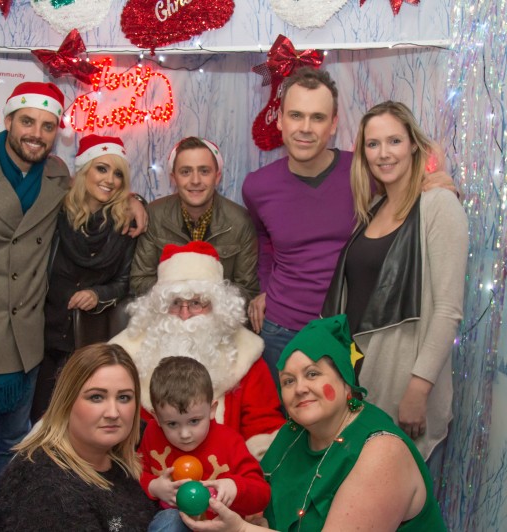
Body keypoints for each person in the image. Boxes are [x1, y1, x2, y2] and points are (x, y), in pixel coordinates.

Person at [0, 81, 146, 531]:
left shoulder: (56, 176)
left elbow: (97, 187)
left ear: (57, 133)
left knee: (12, 448)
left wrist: (134, 200)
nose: (36, 133)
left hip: (22, 345)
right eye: (28, 122)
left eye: (48, 126)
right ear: (8, 120)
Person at [242, 67, 457, 387]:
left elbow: (409, 193)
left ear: (333, 124)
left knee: (346, 432)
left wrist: (439, 184)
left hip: (349, 331)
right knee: (289, 431)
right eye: (296, 115)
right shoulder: (257, 187)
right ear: (280, 120)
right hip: (282, 332)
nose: (305, 128)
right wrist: (263, 287)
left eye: (317, 117)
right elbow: (265, 240)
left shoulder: (364, 172)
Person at [181, 315, 446, 532]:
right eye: (288, 381)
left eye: (312, 374)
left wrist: (240, 530)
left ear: (345, 383)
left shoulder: (381, 452)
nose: (300, 389)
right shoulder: (293, 434)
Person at [322, 101, 468, 459]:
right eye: (373, 144)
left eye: (394, 141)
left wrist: (419, 389)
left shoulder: (438, 205)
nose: (383, 154)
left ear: (414, 145)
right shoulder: (372, 209)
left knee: (399, 508)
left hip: (402, 379)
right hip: (359, 377)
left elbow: (448, 310)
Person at [111, 241, 284, 458]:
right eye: (175, 303)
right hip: (150, 472)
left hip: (225, 474)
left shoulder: (245, 353)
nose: (185, 315)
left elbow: (263, 425)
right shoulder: (127, 353)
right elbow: (113, 421)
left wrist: (241, 477)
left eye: (196, 303)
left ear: (217, 306)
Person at [0, 343, 158, 531]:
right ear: (66, 402)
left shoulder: (116, 457)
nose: (113, 413)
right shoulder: (45, 490)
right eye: (96, 397)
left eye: (124, 398)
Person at [30, 134, 137, 423]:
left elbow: (126, 282)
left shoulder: (125, 225)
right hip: (44, 341)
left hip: (89, 344)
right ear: (84, 170)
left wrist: (98, 294)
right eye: (102, 168)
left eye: (118, 173)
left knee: (84, 427)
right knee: (41, 424)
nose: (110, 179)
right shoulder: (55, 214)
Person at [140, 356, 271, 531]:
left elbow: (262, 493)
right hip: (173, 523)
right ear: (156, 417)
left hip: (221, 527)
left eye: (194, 421)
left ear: (212, 410)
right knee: (170, 520)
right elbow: (133, 474)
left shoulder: (230, 442)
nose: (185, 434)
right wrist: (153, 486)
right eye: (172, 424)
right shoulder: (151, 434)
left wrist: (234, 487)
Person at [130, 136, 259, 303]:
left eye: (204, 171)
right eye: (186, 172)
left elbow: (248, 289)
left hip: (217, 321)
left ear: (217, 176)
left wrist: (204, 299)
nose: (195, 180)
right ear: (173, 178)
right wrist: (182, 295)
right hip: (166, 318)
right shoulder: (154, 215)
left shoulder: (240, 221)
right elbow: (139, 281)